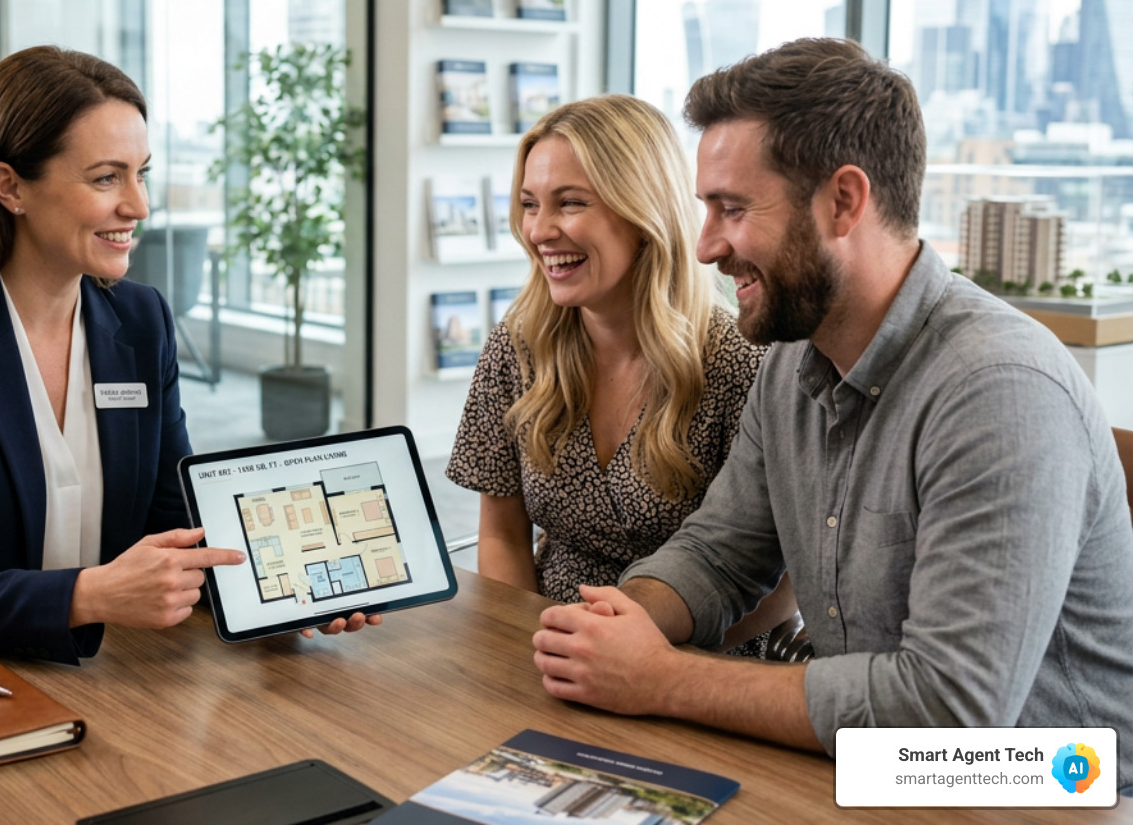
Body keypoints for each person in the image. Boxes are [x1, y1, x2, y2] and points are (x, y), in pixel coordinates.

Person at [532, 38, 1133, 790]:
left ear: (845, 201)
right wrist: (616, 627)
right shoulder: (791, 361)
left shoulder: (1000, 390)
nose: (707, 246)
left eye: (732, 209)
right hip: (870, 773)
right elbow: (719, 554)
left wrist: (662, 679)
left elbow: (952, 716)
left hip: (1045, 789)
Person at [0, 46, 372, 664]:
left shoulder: (140, 320)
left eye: (142, 174)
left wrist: (283, 589)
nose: (138, 206)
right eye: (107, 178)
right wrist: (90, 595)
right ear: (10, 187)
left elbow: (174, 524)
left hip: (92, 668)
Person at [446, 94, 793, 652]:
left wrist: (647, 663)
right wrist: (530, 650)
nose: (539, 231)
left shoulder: (743, 363)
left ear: (643, 211)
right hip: (550, 642)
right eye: (530, 204)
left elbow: (783, 582)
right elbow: (503, 535)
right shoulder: (518, 346)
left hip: (699, 659)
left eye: (570, 203)